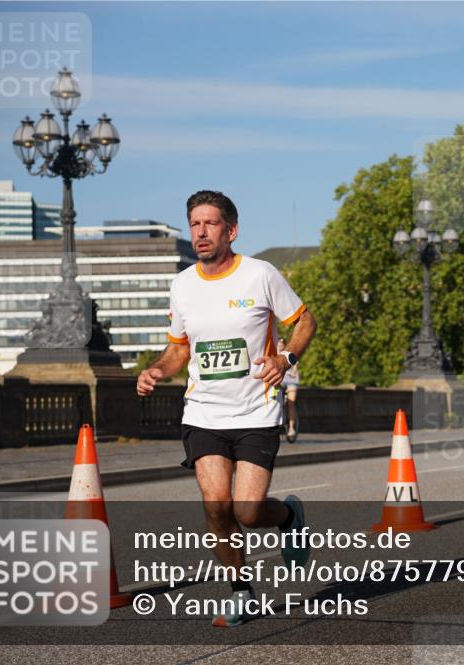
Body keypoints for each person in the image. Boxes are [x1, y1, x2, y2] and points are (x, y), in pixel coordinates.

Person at [136, 190, 317, 627]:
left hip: (256, 411)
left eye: (210, 223)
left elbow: (305, 322)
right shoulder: (182, 284)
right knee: (216, 506)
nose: (200, 231)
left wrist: (285, 359)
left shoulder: (260, 275)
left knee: (247, 512)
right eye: (194, 223)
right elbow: (179, 349)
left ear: (230, 230)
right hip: (203, 413)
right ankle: (241, 591)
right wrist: (156, 370)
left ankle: (290, 515)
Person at [278, 337, 301, 442]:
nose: (280, 346)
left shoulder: (289, 353)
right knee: (276, 399)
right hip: (280, 380)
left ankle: (291, 428)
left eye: (282, 344)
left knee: (291, 402)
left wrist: (294, 371)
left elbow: (295, 365)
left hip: (291, 380)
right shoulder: (273, 353)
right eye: (278, 344)